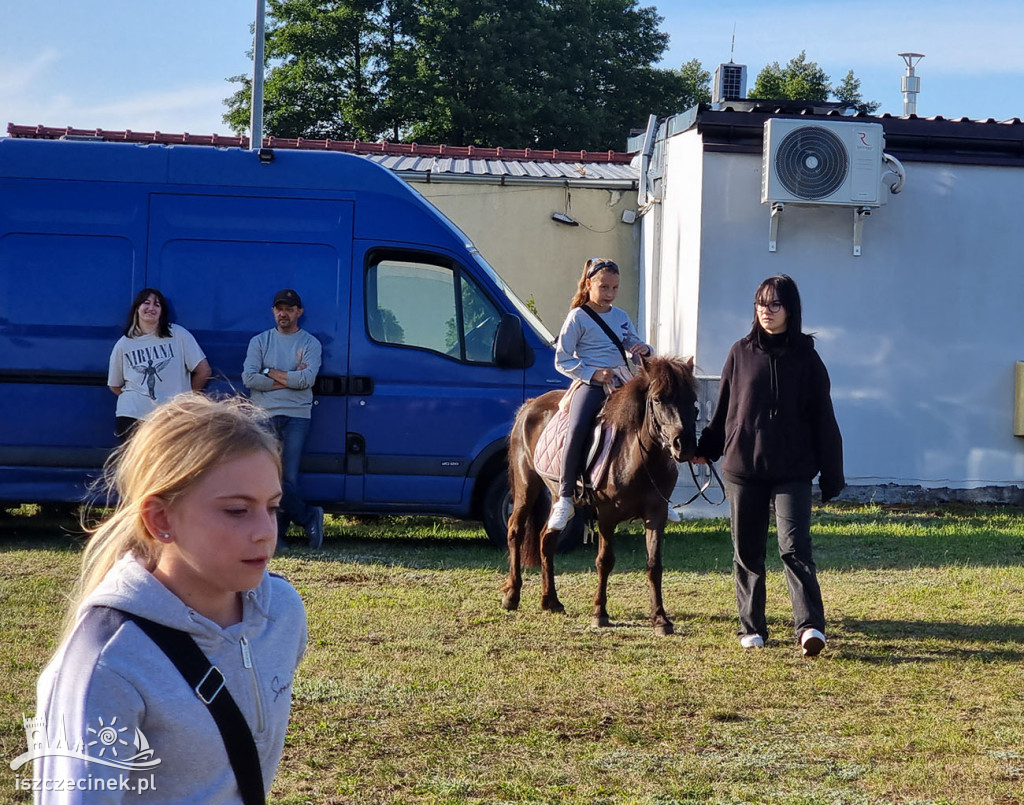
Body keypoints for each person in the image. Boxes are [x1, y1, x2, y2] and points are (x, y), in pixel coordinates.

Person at [31, 394, 307, 803]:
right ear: (160, 519)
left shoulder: (281, 611)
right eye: (236, 510)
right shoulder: (106, 663)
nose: (266, 531)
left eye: (272, 507)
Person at [694, 274, 844, 656]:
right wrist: (706, 449)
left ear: (790, 310)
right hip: (744, 469)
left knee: (795, 548)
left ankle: (810, 627)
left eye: (774, 305)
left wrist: (832, 472)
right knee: (747, 552)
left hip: (792, 471)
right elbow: (724, 410)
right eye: (761, 304)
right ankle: (752, 627)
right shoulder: (740, 352)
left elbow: (824, 417)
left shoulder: (807, 358)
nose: (766, 311)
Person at [548, 257, 662, 530]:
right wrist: (593, 374)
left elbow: (631, 342)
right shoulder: (577, 317)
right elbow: (561, 359)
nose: (609, 294)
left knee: (655, 420)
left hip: (623, 379)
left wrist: (643, 349)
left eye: (615, 288)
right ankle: (564, 497)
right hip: (591, 383)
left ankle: (655, 490)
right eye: (604, 287)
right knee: (577, 427)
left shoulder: (620, 316)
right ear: (589, 284)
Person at [242, 289, 324, 549]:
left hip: (297, 416)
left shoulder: (310, 343)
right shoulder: (260, 342)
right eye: (279, 309)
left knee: (287, 477)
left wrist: (269, 373)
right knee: (266, 475)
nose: (283, 313)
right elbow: (250, 379)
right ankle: (306, 517)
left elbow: (306, 380)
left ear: (299, 312)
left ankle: (281, 532)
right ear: (273, 311)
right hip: (263, 415)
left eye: (289, 309)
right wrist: (288, 378)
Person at [107, 288, 212, 441]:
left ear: (162, 311)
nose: (151, 308)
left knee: (170, 464)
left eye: (157, 304)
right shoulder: (124, 344)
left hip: (172, 418)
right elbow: (114, 385)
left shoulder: (177, 334)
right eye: (146, 303)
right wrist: (139, 398)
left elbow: (204, 371)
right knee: (139, 465)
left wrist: (186, 401)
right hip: (133, 416)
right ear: (137, 308)